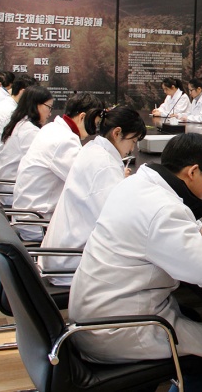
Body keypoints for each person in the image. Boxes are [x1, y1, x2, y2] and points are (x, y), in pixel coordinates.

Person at [69, 133, 202, 392]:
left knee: (190, 315)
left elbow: (147, 232)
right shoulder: (163, 208)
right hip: (115, 329)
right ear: (193, 171)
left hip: (93, 312)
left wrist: (196, 233)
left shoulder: (135, 184)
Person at [39, 105, 146, 286]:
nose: (132, 149)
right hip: (71, 264)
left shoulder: (93, 149)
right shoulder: (105, 165)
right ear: (117, 133)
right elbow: (115, 223)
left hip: (61, 254)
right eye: (133, 141)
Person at [12, 93, 104, 241]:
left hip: (29, 215)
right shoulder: (64, 140)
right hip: (39, 224)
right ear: (82, 117)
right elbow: (87, 181)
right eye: (95, 123)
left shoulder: (53, 128)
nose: (94, 129)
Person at [0, 86, 53, 204]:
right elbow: (46, 162)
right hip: (13, 193)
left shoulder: (22, 124)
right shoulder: (29, 131)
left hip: (10, 187)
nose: (50, 113)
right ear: (36, 105)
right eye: (49, 107)